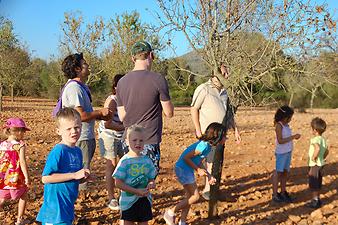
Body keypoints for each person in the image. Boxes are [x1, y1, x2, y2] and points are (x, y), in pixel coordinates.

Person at [116, 41, 174, 175]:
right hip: (149, 140)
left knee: (129, 182)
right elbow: (169, 113)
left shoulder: (121, 82)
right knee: (147, 182)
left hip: (128, 141)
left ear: (132, 58)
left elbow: (122, 116)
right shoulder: (158, 79)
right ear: (151, 55)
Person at [61, 53, 111, 190]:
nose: (88, 66)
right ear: (77, 69)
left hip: (84, 136)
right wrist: (100, 113)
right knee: (81, 172)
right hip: (81, 137)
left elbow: (84, 113)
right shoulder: (74, 88)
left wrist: (99, 116)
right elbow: (80, 115)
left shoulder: (80, 87)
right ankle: (78, 204)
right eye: (84, 64)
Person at [190, 64, 241, 200]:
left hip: (221, 135)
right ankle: (208, 191)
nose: (226, 77)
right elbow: (194, 108)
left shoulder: (226, 92)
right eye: (223, 74)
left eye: (227, 74)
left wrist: (235, 130)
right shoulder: (203, 89)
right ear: (215, 74)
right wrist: (198, 130)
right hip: (208, 134)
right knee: (210, 161)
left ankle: (213, 189)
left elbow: (228, 114)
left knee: (217, 160)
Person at [163, 122, 226, 225]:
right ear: (217, 136)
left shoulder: (208, 147)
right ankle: (170, 212)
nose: (225, 139)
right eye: (224, 136)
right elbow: (186, 157)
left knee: (189, 197)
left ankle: (182, 222)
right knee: (195, 197)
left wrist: (209, 176)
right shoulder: (203, 146)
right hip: (183, 169)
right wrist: (197, 170)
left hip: (186, 169)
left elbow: (198, 161)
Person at [36, 108, 91, 225]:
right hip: (54, 210)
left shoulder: (77, 151)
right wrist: (74, 175)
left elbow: (73, 179)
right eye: (69, 128)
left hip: (68, 206)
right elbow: (46, 178)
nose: (74, 131)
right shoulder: (58, 150)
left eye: (77, 127)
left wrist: (82, 178)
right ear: (58, 131)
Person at [113, 125, 156, 225]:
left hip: (144, 199)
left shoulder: (147, 160)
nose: (138, 143)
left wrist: (151, 183)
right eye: (134, 140)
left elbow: (151, 177)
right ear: (127, 142)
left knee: (144, 222)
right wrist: (136, 191)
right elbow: (118, 183)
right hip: (128, 201)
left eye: (141, 140)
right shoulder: (125, 161)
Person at [97, 74, 126, 210]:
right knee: (111, 165)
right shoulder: (112, 101)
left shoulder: (126, 99)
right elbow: (108, 124)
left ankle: (123, 194)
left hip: (121, 135)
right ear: (115, 87)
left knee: (125, 163)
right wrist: (126, 127)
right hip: (109, 135)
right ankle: (111, 198)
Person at [0, 118, 30, 225]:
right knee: (24, 195)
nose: (23, 133)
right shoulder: (20, 144)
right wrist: (27, 177)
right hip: (16, 177)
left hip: (3, 177)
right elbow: (22, 162)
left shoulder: (2, 144)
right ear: (17, 131)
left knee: (2, 198)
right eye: (22, 131)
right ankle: (19, 220)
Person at [272, 105, 301, 203]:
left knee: (285, 172)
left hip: (287, 151)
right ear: (285, 117)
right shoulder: (279, 125)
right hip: (281, 153)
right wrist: (293, 137)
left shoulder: (286, 125)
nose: (290, 119)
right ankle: (275, 194)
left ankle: (283, 192)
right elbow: (280, 140)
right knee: (278, 172)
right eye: (290, 117)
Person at [307, 117, 329, 208]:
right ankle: (317, 199)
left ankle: (314, 201)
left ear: (315, 130)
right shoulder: (323, 139)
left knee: (313, 183)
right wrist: (322, 158)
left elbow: (317, 148)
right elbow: (327, 151)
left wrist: (314, 157)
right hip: (320, 164)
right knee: (318, 181)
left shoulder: (315, 139)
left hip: (314, 164)